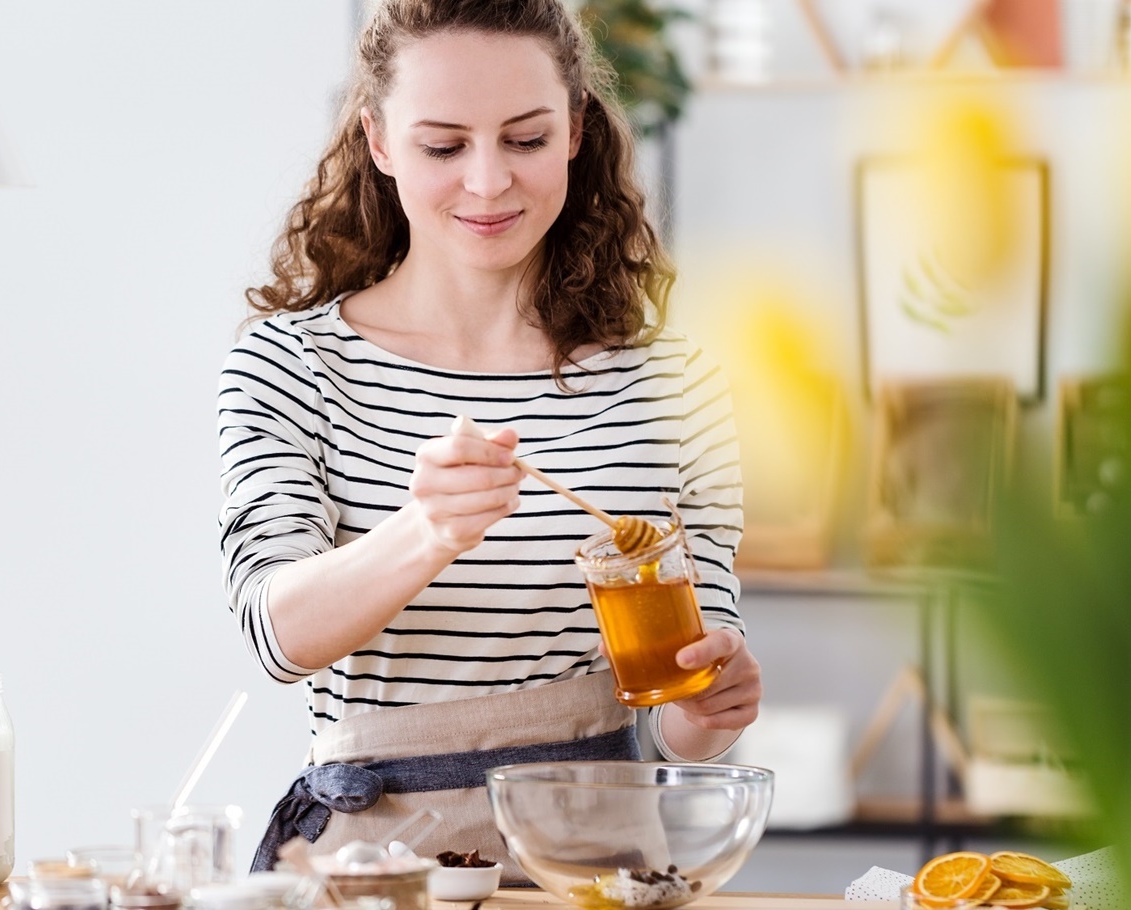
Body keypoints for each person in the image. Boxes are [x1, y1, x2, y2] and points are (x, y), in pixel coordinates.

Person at [218, 0, 761, 875]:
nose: (486, 182)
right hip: (380, 866)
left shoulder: (676, 381)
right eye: (442, 146)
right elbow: (275, 634)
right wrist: (421, 532)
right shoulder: (291, 364)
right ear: (379, 142)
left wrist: (714, 699)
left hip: (596, 862)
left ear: (577, 130)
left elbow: (683, 716)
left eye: (525, 139)